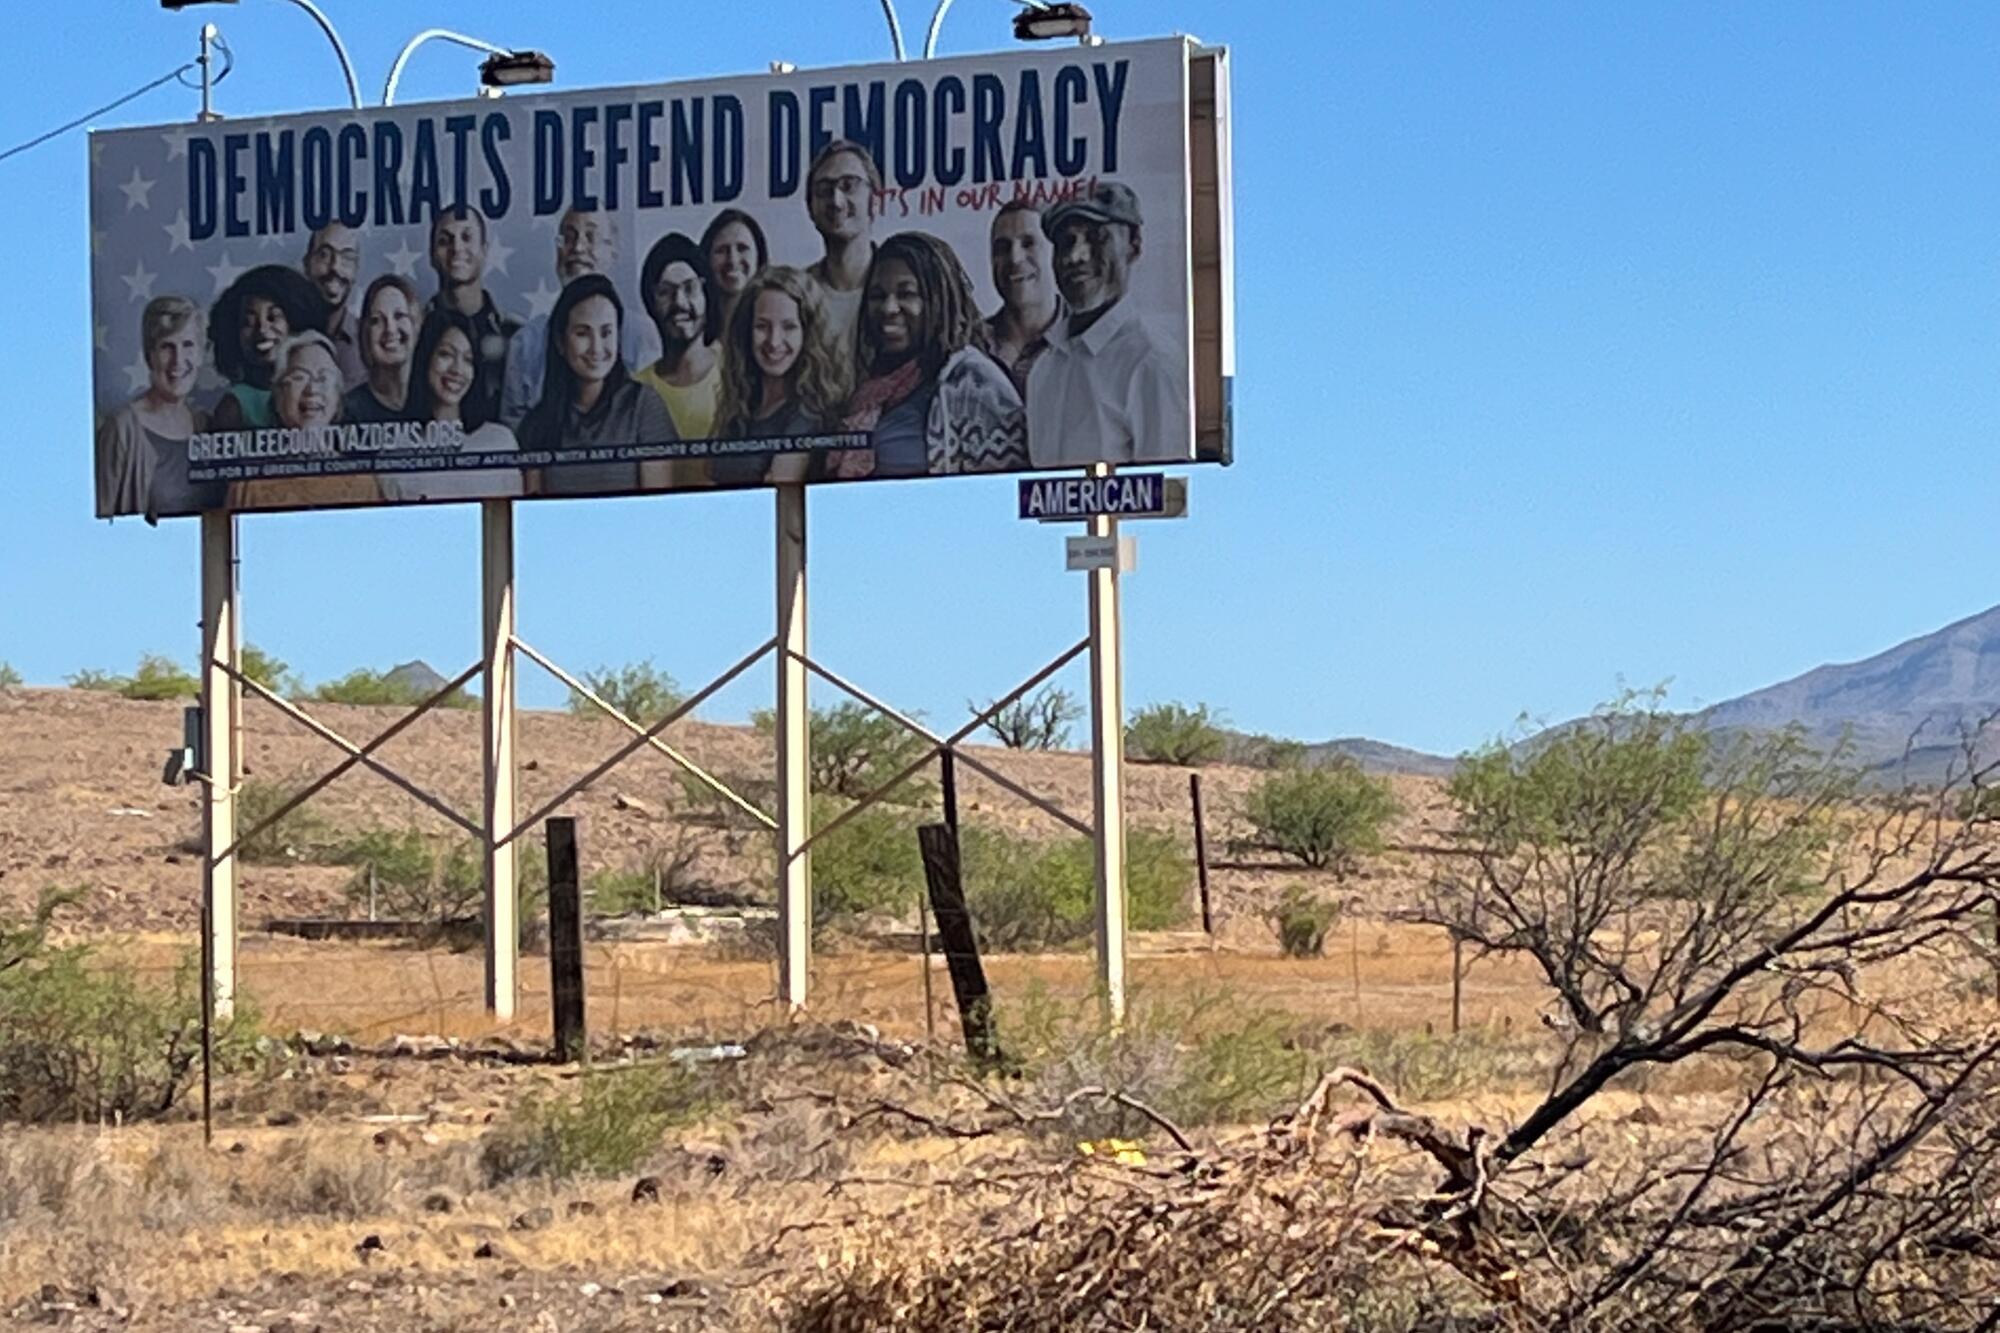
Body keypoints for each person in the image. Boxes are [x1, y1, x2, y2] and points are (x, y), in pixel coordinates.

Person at [1024, 181, 1189, 468]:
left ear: (1134, 244)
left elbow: (1159, 491)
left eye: (1097, 238)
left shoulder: (1151, 361)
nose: (1076, 257)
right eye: (1065, 243)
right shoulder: (1044, 369)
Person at [835, 232, 1025, 480]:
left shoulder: (974, 382)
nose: (888, 308)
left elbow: (1004, 495)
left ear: (939, 300)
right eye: (878, 296)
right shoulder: (869, 387)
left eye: (907, 294)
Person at [518, 274, 675, 497]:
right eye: (583, 333)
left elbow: (658, 506)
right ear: (560, 342)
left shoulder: (643, 406)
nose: (596, 348)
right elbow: (532, 508)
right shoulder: (537, 423)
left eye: (606, 333)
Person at [500, 207, 659, 427]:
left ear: (613, 251)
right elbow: (514, 432)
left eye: (590, 237)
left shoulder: (641, 334)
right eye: (568, 237)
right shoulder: (526, 342)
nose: (578, 248)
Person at [711, 265, 849, 485]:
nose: (774, 341)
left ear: (809, 333)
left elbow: (777, 490)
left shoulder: (808, 415)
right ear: (746, 332)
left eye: (789, 327)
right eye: (762, 326)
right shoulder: (738, 406)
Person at [95, 295, 222, 521]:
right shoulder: (122, 429)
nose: (178, 360)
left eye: (188, 345)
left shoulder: (205, 426)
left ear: (202, 353)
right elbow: (106, 519)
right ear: (149, 355)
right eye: (167, 347)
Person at [228, 331, 384, 509]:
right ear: (279, 394)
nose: (312, 389)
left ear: (337, 399)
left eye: (324, 378)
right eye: (299, 377)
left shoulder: (363, 484)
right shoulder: (249, 485)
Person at [382, 308, 523, 503]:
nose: (457, 370)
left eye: (467, 360)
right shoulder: (396, 449)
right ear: (426, 359)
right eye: (446, 355)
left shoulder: (500, 441)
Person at [428, 203, 518, 426]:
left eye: (467, 237)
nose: (457, 248)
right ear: (431, 255)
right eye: (444, 240)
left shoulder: (516, 334)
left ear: (484, 250)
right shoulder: (413, 332)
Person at [207, 264, 324, 430]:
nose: (262, 330)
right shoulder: (234, 406)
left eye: (273, 317)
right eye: (248, 322)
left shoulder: (317, 393)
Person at [803, 138, 880, 362]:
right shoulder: (799, 293)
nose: (836, 201)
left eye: (849, 185)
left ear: (875, 201)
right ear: (810, 208)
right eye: (824, 190)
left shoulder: (901, 288)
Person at [985, 201, 1064, 400]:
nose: (1014, 258)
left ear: (1055, 252)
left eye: (1028, 243)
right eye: (1002, 248)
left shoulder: (1086, 342)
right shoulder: (968, 345)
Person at [343, 275, 419, 424]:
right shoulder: (348, 411)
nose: (390, 329)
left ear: (416, 325)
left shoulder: (436, 402)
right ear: (365, 333)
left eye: (399, 316)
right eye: (376, 320)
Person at [303, 221, 365, 388]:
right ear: (306, 264)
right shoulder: (287, 338)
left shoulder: (370, 340)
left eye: (347, 257)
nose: (335, 267)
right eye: (324, 254)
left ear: (356, 270)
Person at [698, 207, 767, 336]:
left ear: (759, 256)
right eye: (722, 250)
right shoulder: (694, 334)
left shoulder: (774, 333)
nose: (732, 260)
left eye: (742, 248)